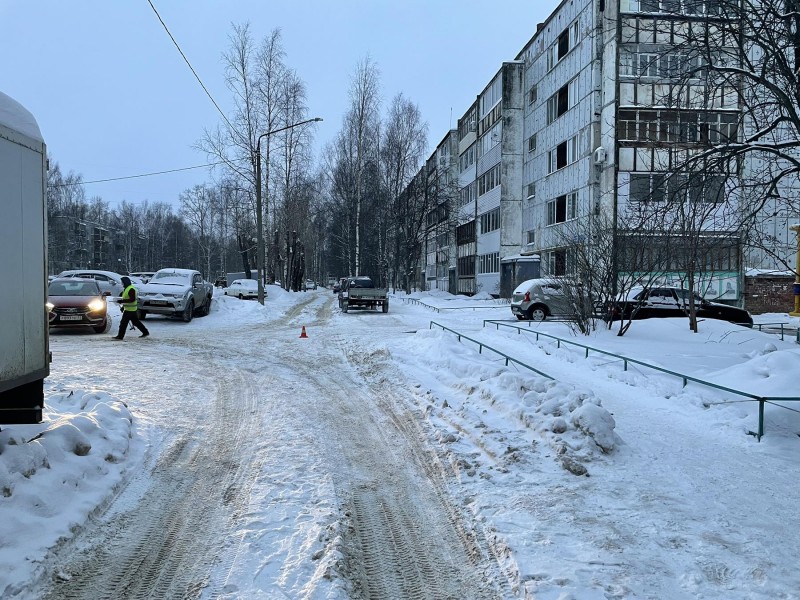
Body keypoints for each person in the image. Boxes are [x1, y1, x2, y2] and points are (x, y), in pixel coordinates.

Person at [112, 276, 149, 340]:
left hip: (130, 310)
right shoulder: (127, 288)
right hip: (130, 309)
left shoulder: (131, 289)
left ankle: (120, 336)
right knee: (136, 322)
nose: (122, 283)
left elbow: (132, 299)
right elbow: (127, 299)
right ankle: (145, 332)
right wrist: (123, 307)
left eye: (122, 282)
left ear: (125, 282)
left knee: (123, 323)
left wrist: (122, 301)